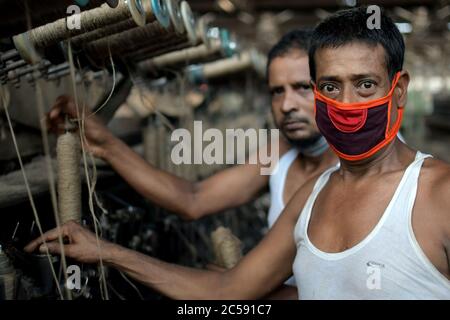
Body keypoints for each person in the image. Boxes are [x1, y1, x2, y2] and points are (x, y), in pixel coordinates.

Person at [26, 7, 450, 299]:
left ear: (399, 92)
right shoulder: (304, 189)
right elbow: (225, 284)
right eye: (330, 87)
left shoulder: (437, 196)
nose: (347, 104)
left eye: (366, 85)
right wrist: (107, 250)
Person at [43, 30, 338, 298]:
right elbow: (193, 199)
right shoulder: (279, 154)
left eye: (302, 88)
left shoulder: (350, 175)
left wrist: (248, 289)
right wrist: (105, 145)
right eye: (277, 91)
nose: (287, 105)